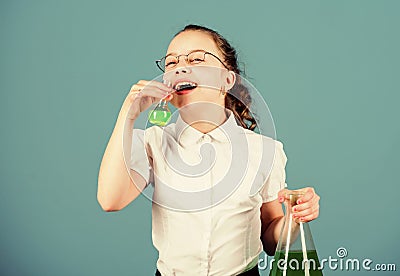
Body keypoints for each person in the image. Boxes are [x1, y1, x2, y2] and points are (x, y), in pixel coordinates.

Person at [97, 24, 320, 276]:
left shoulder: (265, 150)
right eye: (171, 63)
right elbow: (110, 200)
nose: (181, 67)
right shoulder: (152, 142)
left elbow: (270, 237)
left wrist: (294, 217)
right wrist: (128, 115)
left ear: (228, 79)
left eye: (197, 59)